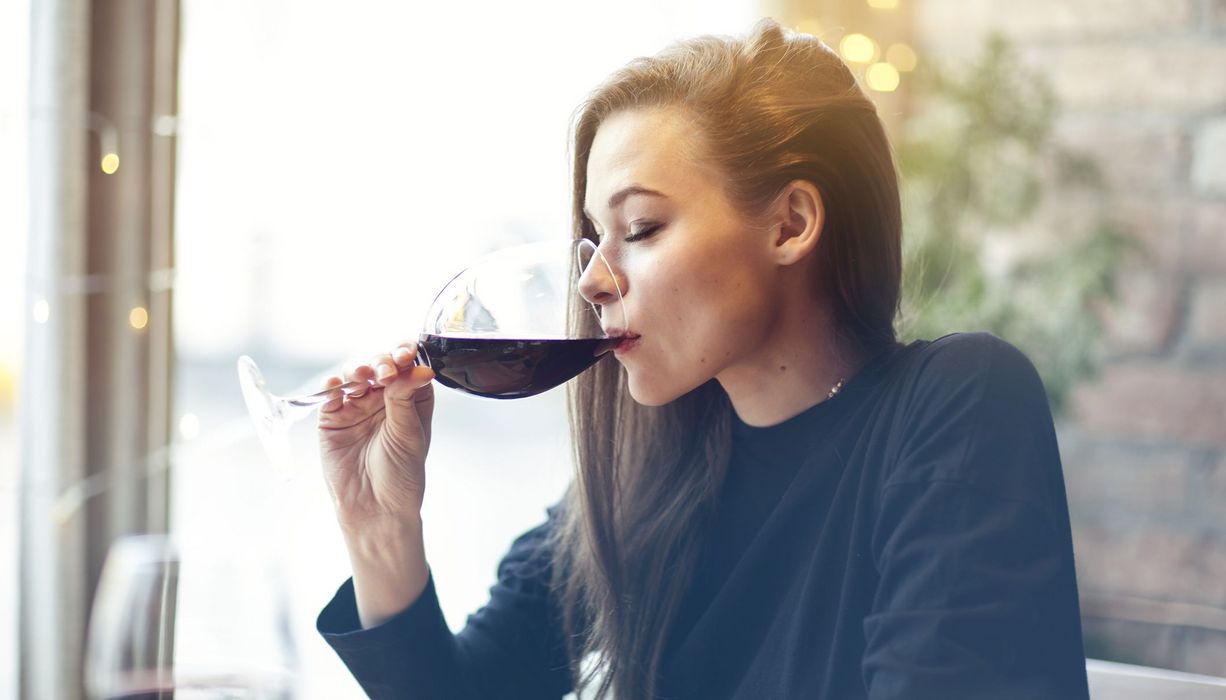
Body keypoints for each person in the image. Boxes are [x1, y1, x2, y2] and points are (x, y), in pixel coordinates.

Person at [314, 18, 1090, 700]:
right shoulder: (642, 474)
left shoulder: (956, 404)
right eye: (593, 235)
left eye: (641, 227)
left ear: (789, 223)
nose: (590, 278)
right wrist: (380, 529)